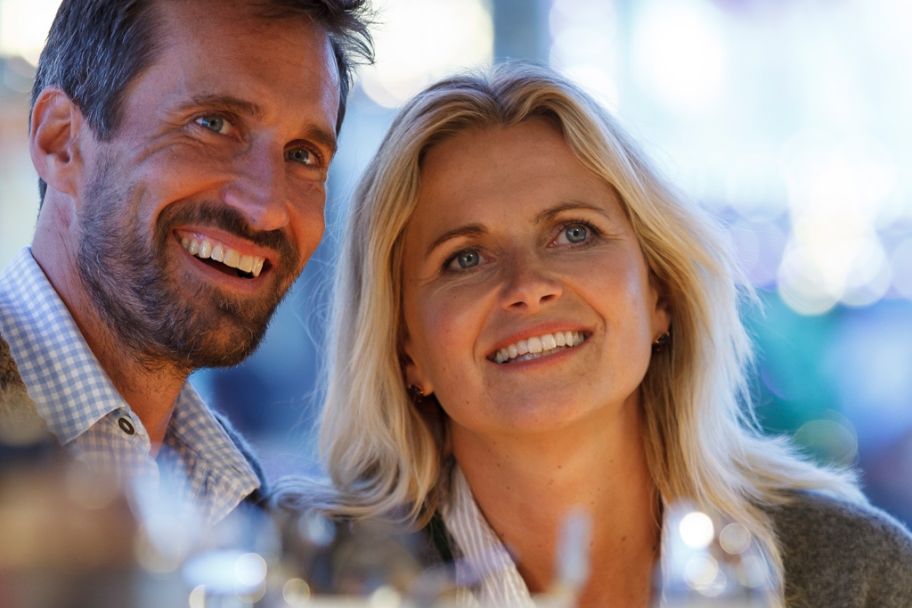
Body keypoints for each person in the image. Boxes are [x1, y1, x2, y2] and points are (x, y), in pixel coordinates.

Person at [275, 63, 912, 606]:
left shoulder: (854, 576)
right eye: (464, 258)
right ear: (406, 349)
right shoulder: (307, 581)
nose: (528, 285)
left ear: (660, 295)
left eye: (573, 233)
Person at [0, 0, 372, 524]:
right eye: (213, 124)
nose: (266, 208)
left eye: (303, 155)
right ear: (62, 142)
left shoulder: (246, 507)